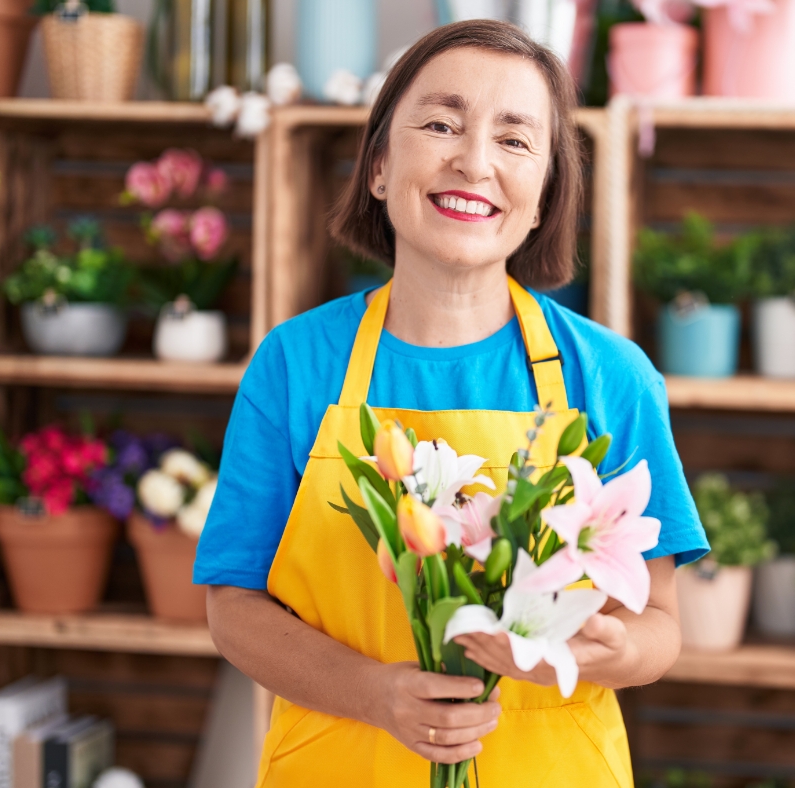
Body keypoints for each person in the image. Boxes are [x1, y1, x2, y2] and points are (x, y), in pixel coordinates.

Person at [194, 19, 708, 787]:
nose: (473, 162)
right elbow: (233, 607)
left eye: (515, 140)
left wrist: (613, 651)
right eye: (440, 124)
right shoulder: (298, 365)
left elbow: (659, 624)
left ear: (542, 198)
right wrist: (374, 694)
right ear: (377, 166)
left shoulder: (610, 376)